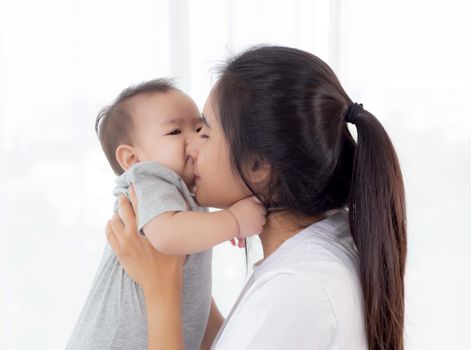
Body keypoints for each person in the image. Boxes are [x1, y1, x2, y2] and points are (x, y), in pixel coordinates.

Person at [106, 46, 407, 349]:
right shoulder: (324, 248)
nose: (191, 148)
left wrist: (161, 291)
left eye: (204, 132)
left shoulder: (297, 287)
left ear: (258, 166)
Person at [67, 79, 266, 350]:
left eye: (199, 128)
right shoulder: (149, 178)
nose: (194, 139)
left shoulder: (183, 192)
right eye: (174, 131)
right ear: (132, 159)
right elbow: (166, 235)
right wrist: (231, 222)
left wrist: (219, 223)